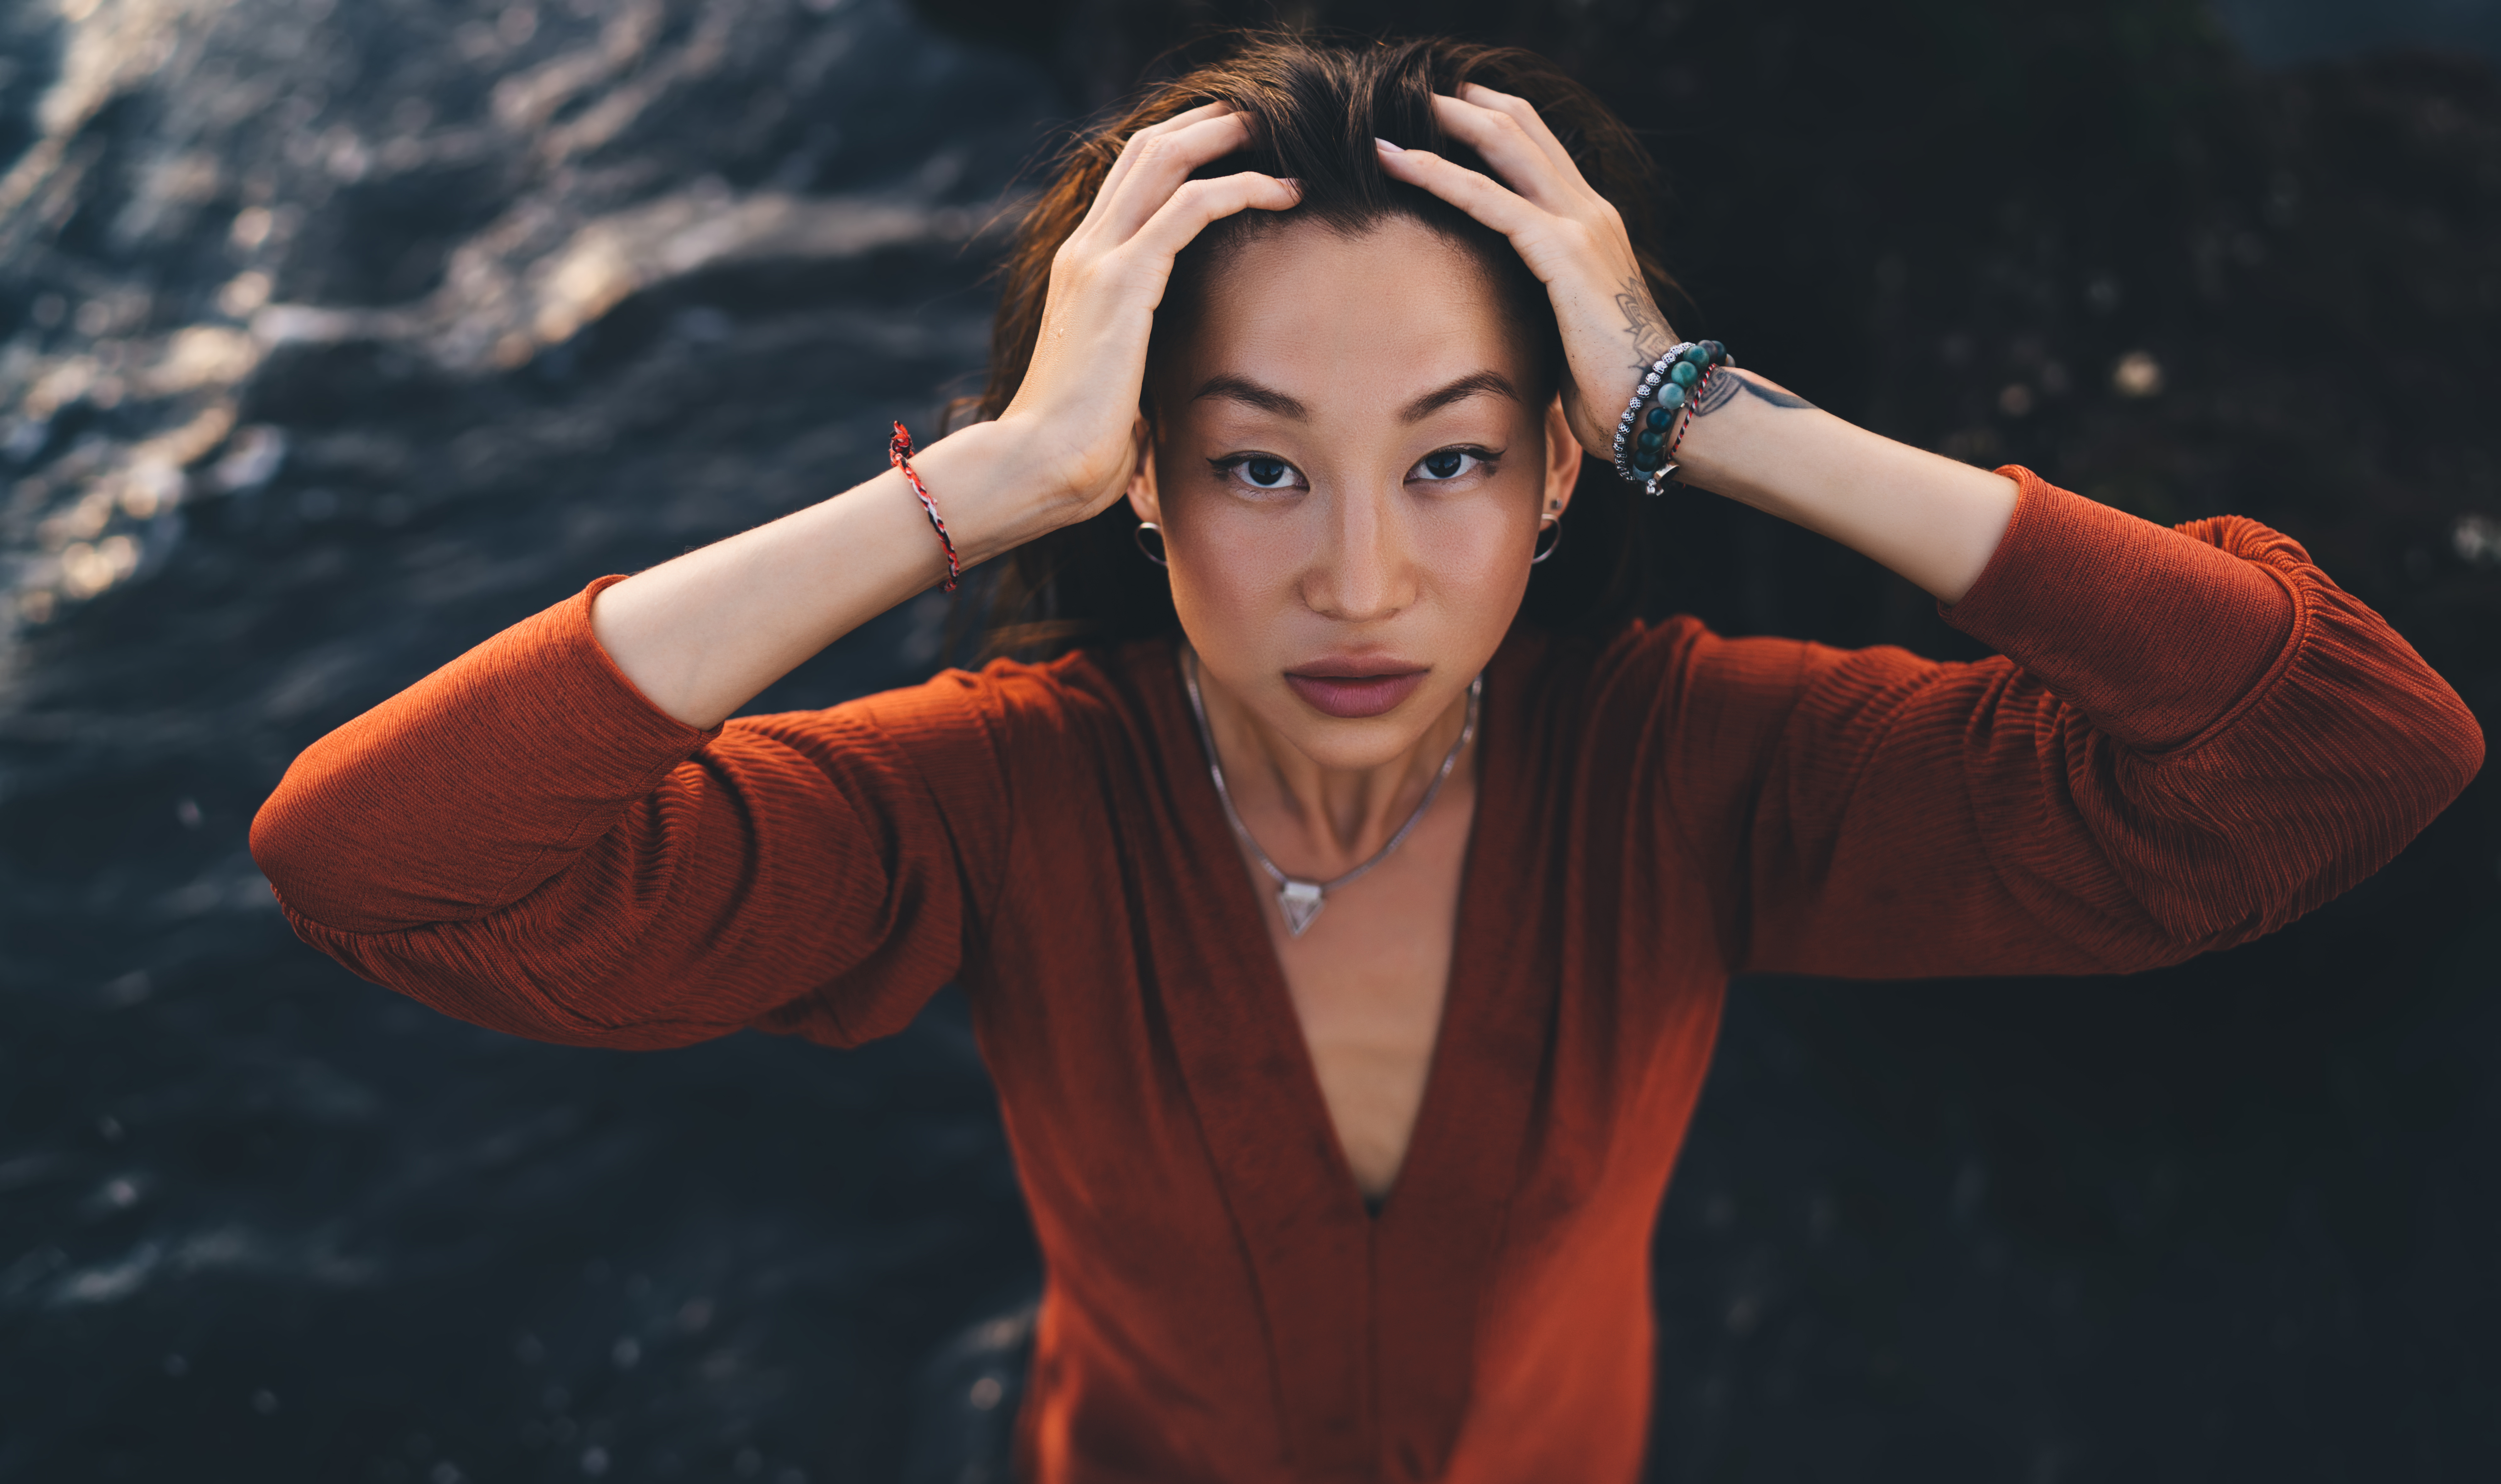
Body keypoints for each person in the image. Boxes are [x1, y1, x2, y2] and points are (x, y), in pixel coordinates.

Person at [250, 32, 2482, 1484]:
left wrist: (1712, 413)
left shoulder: (1695, 770)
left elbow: (2344, 747)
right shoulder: (1001, 800)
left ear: (1561, 471)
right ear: (1138, 478)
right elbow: (381, 867)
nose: (1359, 583)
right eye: (1254, 466)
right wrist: (980, 484)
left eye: (1451, 460)